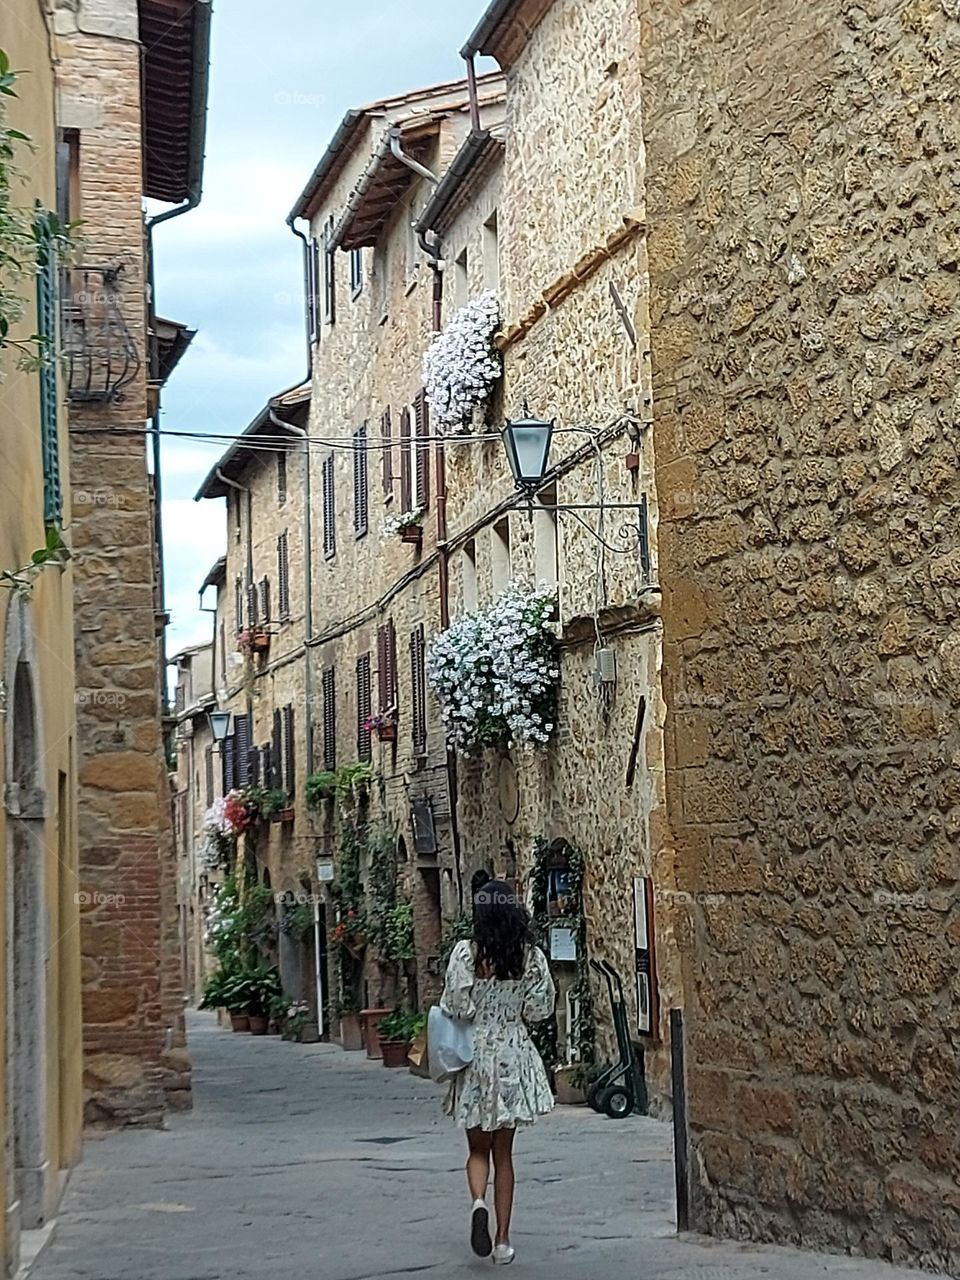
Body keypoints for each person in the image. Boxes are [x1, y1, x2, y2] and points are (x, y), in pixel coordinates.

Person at [440, 878, 556, 1266]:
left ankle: (477, 1202)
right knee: (504, 1154)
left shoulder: (465, 954)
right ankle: (503, 1241)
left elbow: (456, 1006)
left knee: (477, 1149)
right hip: (511, 1054)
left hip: (475, 1057)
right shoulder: (530, 957)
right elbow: (540, 1009)